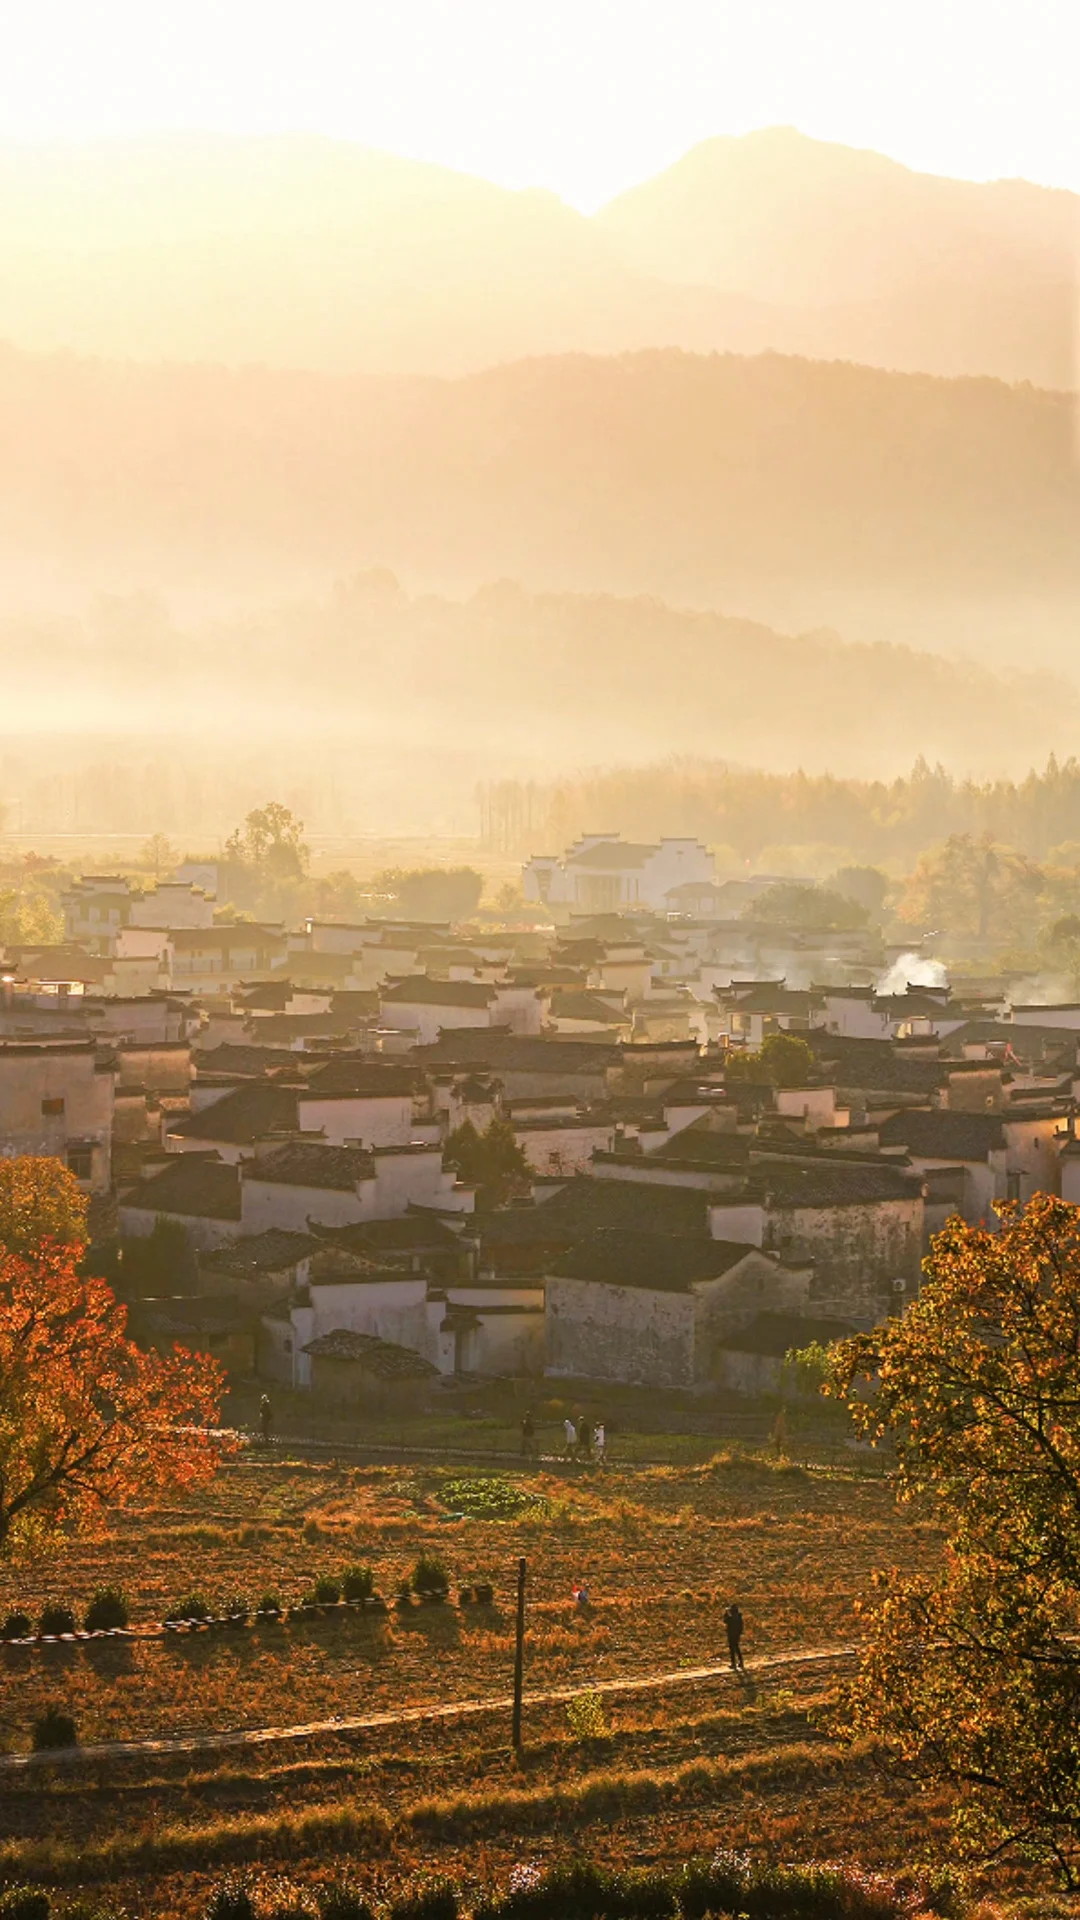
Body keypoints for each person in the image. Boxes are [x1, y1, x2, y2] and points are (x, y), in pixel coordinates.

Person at [723, 1601, 745, 1672]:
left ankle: (734, 1663)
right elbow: (741, 1627)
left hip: (731, 1634)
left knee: (732, 1649)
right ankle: (740, 1662)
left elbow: (725, 1621)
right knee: (736, 1648)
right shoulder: (738, 1617)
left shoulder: (732, 1618)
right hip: (736, 1635)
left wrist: (725, 1614)